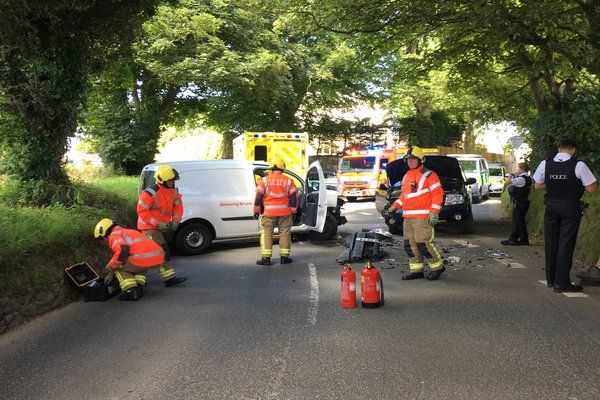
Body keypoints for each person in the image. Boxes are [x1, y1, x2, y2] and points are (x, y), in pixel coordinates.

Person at [533, 139, 597, 292]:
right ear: (573, 150)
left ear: (558, 149)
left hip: (551, 206)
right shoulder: (578, 164)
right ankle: (562, 283)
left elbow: (537, 186)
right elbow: (591, 189)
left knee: (551, 242)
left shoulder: (545, 163)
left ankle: (551, 279)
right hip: (570, 207)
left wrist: (555, 182)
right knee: (566, 243)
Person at [385, 146, 445, 280]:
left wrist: (434, 212)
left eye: (413, 159)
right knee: (410, 245)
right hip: (408, 217)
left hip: (422, 216)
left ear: (420, 160)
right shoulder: (407, 175)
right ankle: (417, 270)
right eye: (408, 159)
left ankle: (438, 267)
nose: (410, 161)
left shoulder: (429, 175)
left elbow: (438, 194)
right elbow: (404, 196)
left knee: (423, 244)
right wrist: (394, 206)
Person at [94, 219, 185, 301]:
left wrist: (110, 267)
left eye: (102, 239)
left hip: (142, 259)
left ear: (104, 233)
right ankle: (139, 285)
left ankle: (131, 291)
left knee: (118, 267)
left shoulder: (114, 235)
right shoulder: (129, 231)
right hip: (157, 257)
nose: (105, 241)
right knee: (139, 265)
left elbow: (123, 250)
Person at [137, 164, 187, 286]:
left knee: (150, 254)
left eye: (174, 179)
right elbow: (142, 211)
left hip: (160, 228)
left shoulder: (173, 191)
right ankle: (169, 279)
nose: (173, 182)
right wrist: (157, 223)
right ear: (162, 180)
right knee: (162, 251)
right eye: (170, 180)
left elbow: (178, 207)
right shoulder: (149, 193)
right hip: (148, 228)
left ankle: (138, 282)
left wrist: (176, 220)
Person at [254, 157, 298, 266]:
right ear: (283, 169)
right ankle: (284, 258)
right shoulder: (289, 181)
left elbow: (259, 197)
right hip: (285, 213)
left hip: (269, 213)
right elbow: (293, 198)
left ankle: (266, 259)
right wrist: (293, 212)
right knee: (285, 233)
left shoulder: (264, 180)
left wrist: (256, 210)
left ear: (271, 169)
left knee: (267, 234)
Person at [501, 162, 532, 246]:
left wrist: (511, 174)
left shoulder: (521, 179)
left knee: (518, 221)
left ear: (522, 169)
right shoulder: (527, 177)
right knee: (519, 221)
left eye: (518, 168)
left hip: (520, 202)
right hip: (523, 201)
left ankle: (517, 239)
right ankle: (519, 238)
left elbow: (508, 182)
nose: (516, 170)